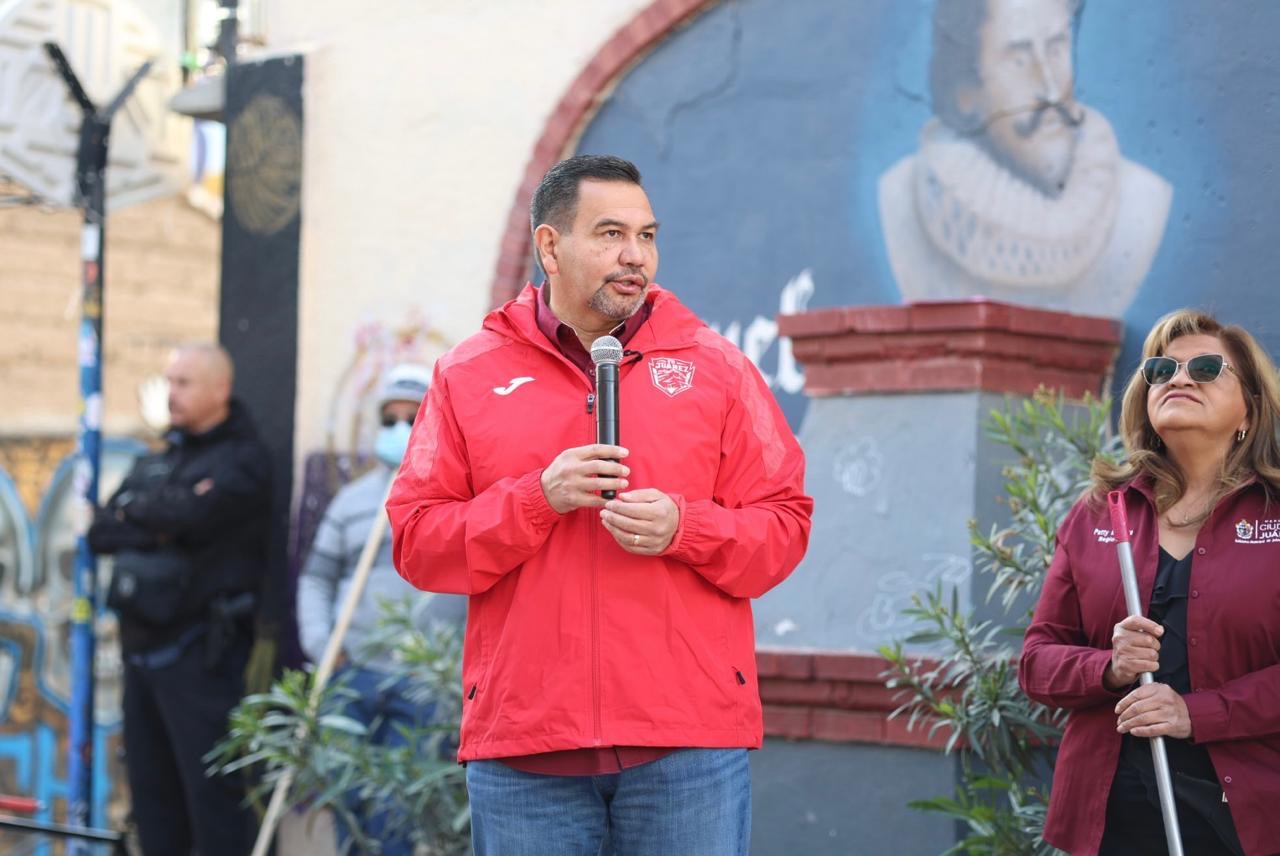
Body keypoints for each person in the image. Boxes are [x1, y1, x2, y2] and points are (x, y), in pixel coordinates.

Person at [386, 154, 813, 855]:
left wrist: (686, 527)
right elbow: (417, 541)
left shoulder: (717, 369)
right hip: (526, 751)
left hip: (687, 746)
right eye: (611, 234)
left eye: (647, 236)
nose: (635, 255)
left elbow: (784, 527)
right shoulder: (469, 374)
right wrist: (535, 500)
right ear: (550, 247)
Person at [1020, 309, 1280, 855]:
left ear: (1250, 409)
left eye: (1206, 368)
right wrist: (1109, 667)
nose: (1180, 378)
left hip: (1249, 816)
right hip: (1111, 817)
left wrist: (1196, 713)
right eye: (1162, 370)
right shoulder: (1098, 513)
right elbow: (1036, 662)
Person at [88, 343, 270, 855]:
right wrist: (163, 518)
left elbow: (189, 516)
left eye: (184, 382)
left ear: (220, 389)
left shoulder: (243, 459)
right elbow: (102, 531)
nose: (171, 393)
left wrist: (146, 514)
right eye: (168, 381)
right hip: (142, 654)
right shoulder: (161, 458)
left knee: (212, 804)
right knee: (152, 802)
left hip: (201, 658)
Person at [878, 0, 1172, 317]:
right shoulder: (902, 199)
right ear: (966, 93)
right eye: (1019, 60)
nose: (1050, 90)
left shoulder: (1140, 200)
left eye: (1057, 49)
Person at [296, 362, 466, 855]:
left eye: (412, 418)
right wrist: (323, 647)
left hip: (424, 682)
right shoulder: (351, 501)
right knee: (347, 803)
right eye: (390, 419)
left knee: (398, 815)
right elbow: (316, 579)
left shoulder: (458, 499)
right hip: (353, 674)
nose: (399, 429)